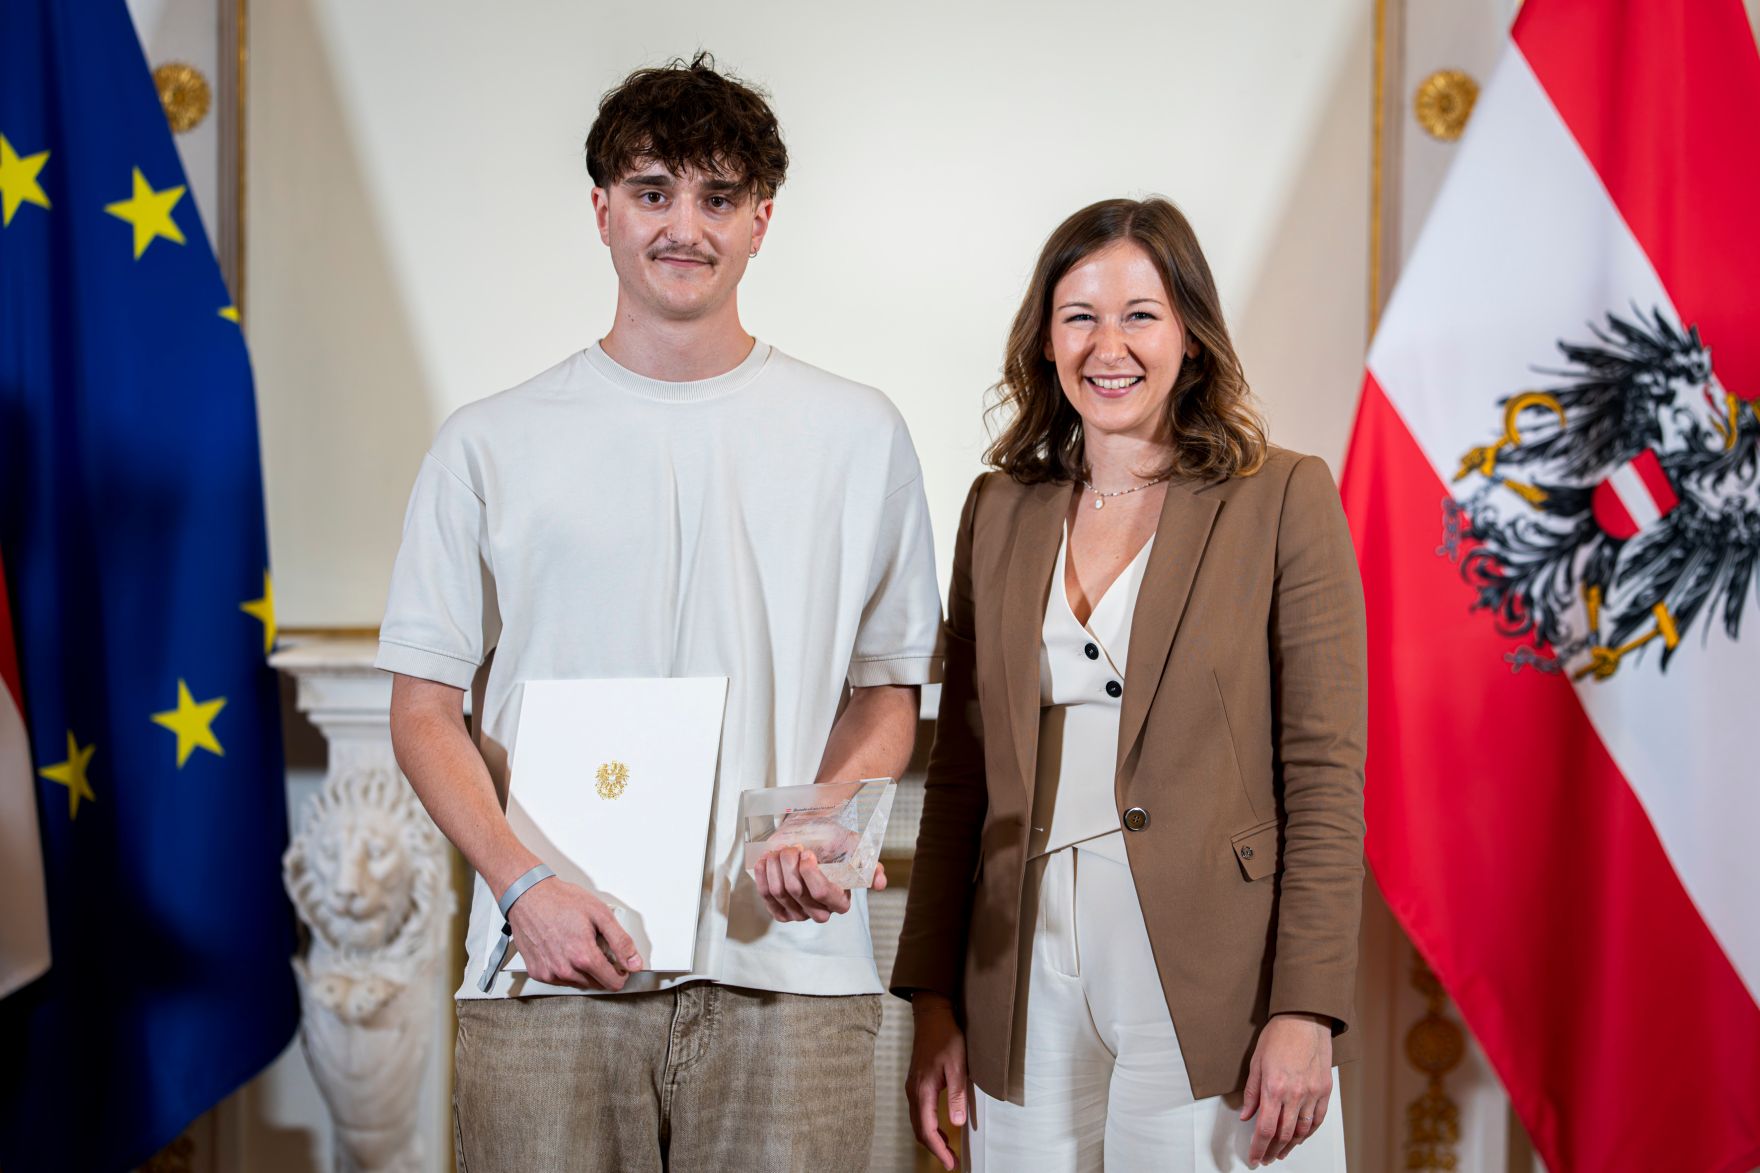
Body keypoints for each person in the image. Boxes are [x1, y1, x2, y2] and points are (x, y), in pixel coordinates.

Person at [379, 53, 941, 1172]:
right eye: (652, 192)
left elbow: (887, 689)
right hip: (551, 968)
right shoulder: (489, 442)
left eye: (717, 197)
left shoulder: (857, 433)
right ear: (600, 211)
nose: (683, 226)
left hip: (791, 967)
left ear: (760, 220)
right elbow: (423, 707)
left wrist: (822, 813)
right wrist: (521, 886)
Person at [893, 197, 1367, 1171]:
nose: (1107, 346)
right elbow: (959, 777)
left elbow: (1323, 770)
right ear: (1043, 341)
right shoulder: (998, 509)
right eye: (1078, 317)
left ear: (1189, 334)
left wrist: (1304, 1006)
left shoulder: (1280, 496)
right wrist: (933, 998)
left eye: (1139, 314)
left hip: (1210, 970)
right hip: (1016, 966)